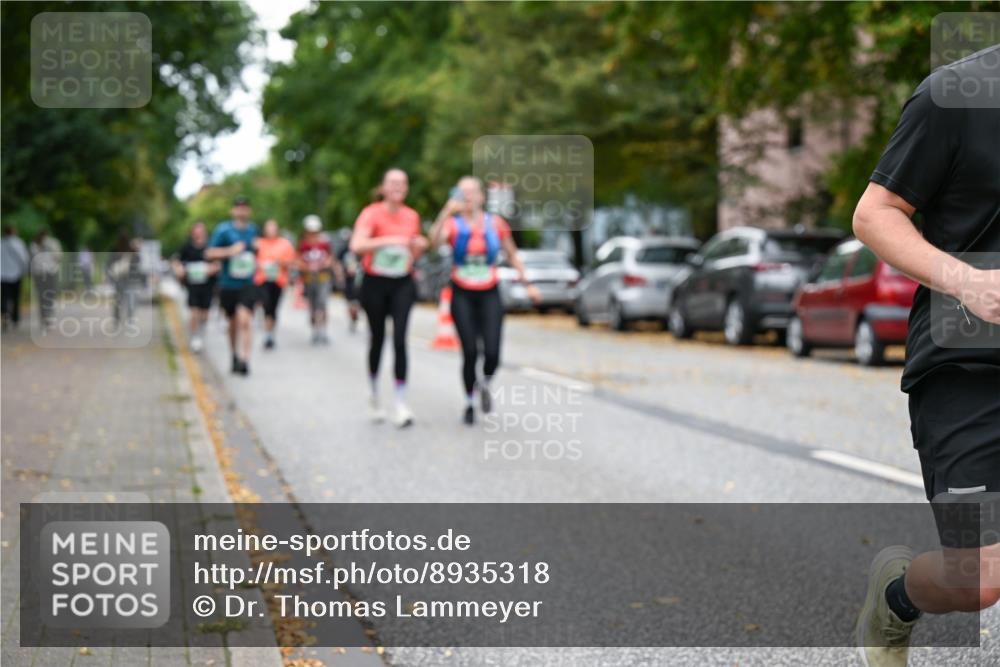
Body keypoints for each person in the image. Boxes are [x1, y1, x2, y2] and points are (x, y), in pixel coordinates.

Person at [851, 45, 999, 667]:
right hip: (966, 367)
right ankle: (897, 597)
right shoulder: (954, 95)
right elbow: (874, 214)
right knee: (979, 578)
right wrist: (966, 280)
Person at [430, 176, 540, 424]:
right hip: (462, 293)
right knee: (470, 351)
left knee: (492, 353)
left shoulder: (496, 223)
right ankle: (469, 402)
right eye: (463, 193)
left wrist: (528, 285)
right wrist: (446, 211)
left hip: (489, 292)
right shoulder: (453, 224)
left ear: (481, 196)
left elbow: (512, 254)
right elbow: (433, 241)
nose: (468, 197)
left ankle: (485, 383)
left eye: (472, 192)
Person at [350, 168, 428, 427]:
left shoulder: (412, 216)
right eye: (393, 183)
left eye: (402, 183)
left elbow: (412, 252)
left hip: (402, 282)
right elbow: (357, 246)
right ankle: (374, 393)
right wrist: (389, 240)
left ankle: (400, 403)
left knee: (400, 339)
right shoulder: (371, 213)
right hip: (375, 283)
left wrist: (418, 246)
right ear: (383, 187)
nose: (398, 187)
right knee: (378, 339)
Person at [206, 196, 258, 376]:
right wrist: (230, 251)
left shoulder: (253, 230)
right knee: (233, 322)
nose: (242, 211)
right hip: (228, 283)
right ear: (233, 211)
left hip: (248, 283)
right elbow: (209, 253)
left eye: (245, 207)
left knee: (245, 319)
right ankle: (234, 354)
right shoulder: (223, 230)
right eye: (238, 207)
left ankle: (245, 359)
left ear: (249, 211)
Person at [173, 222, 218, 353]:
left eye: (201, 230)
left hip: (207, 286)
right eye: (196, 231)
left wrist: (212, 269)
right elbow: (177, 261)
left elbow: (218, 263)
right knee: (194, 312)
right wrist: (179, 269)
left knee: (205, 314)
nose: (198, 233)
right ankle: (195, 337)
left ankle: (201, 334)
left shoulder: (211, 247)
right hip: (192, 286)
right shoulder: (187, 248)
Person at [254, 219, 297, 350]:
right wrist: (260, 265)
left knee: (273, 308)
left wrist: (280, 262)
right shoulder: (258, 243)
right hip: (262, 280)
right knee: (266, 305)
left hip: (278, 280)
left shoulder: (284, 244)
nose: (271, 230)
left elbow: (292, 261)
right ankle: (267, 333)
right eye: (269, 228)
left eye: (273, 228)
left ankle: (271, 333)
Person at [297, 215, 338, 345]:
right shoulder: (303, 245)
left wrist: (323, 264)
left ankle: (323, 330)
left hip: (323, 278)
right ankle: (315, 330)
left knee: (322, 303)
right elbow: (298, 261)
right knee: (313, 306)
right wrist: (308, 267)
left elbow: (331, 258)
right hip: (309, 279)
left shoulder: (324, 244)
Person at [29, 229, 62, 328]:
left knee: (41, 295)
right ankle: (48, 315)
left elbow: (31, 260)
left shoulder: (33, 245)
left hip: (39, 273)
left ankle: (44, 316)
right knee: (49, 294)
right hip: (50, 272)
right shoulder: (53, 243)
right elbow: (58, 257)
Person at [108, 231, 141, 324]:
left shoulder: (115, 249)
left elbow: (110, 264)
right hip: (128, 278)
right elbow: (137, 262)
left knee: (118, 299)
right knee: (130, 299)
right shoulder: (131, 250)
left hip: (119, 278)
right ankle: (129, 317)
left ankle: (117, 317)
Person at [1, 225, 30, 330]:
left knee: (4, 297)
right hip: (16, 274)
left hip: (3, 274)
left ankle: (5, 314)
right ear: (14, 232)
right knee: (16, 297)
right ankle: (15, 318)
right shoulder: (18, 243)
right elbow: (24, 258)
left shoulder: (1, 243)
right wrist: (26, 271)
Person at [336, 228, 362, 334]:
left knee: (358, 302)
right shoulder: (343, 250)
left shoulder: (359, 249)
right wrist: (340, 275)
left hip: (359, 279)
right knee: (350, 302)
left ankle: (356, 315)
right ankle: (353, 319)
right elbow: (337, 263)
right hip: (348, 280)